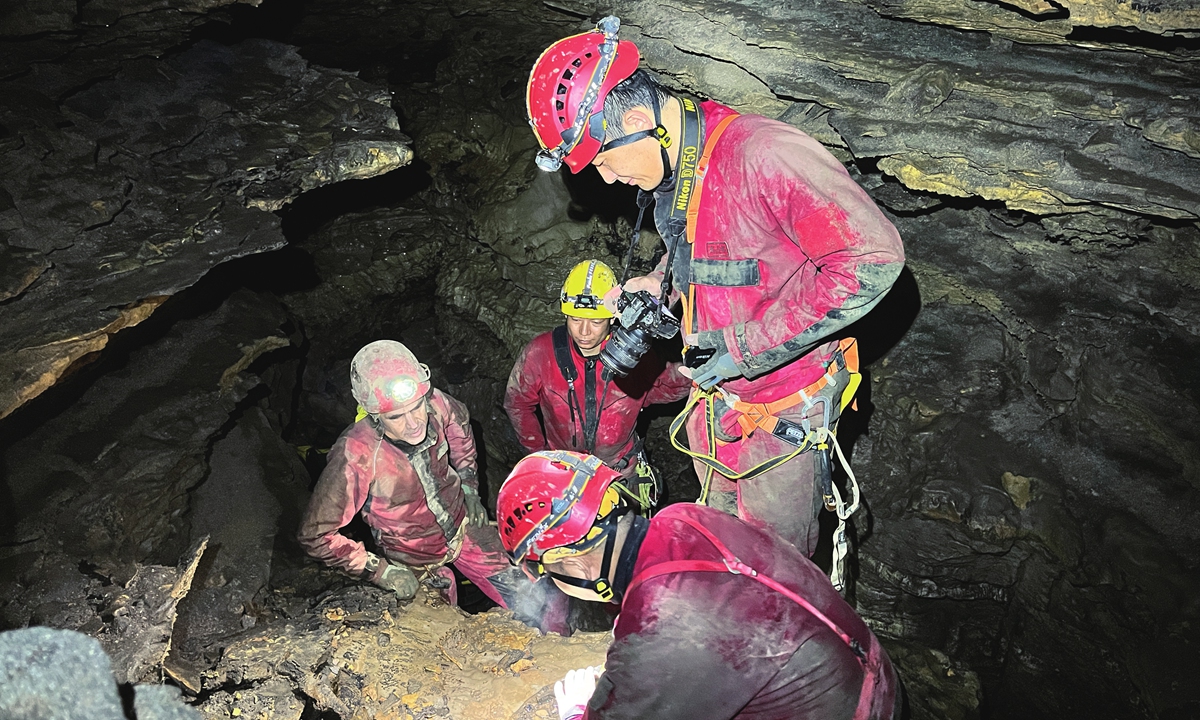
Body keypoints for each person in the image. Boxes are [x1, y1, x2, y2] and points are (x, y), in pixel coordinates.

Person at [525, 17, 905, 568]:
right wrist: (660, 282)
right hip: (717, 403)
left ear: (637, 119)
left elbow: (872, 259)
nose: (606, 179)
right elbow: (710, 248)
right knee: (720, 549)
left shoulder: (762, 154)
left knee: (772, 569)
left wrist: (746, 345)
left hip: (780, 416)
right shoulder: (678, 170)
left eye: (605, 158)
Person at [496, 451, 901, 720]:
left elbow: (667, 640)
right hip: (873, 676)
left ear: (571, 561)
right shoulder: (684, 517)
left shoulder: (661, 619)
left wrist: (577, 710)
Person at [297, 340, 567, 633]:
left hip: (463, 528)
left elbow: (462, 436)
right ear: (373, 414)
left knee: (542, 598)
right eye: (395, 417)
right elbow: (316, 534)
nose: (413, 423)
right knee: (441, 638)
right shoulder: (356, 455)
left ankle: (562, 647)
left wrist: (468, 488)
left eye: (416, 408)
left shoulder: (435, 403)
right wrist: (378, 570)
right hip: (414, 558)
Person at [504, 259, 690, 511]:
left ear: (612, 319)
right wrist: (538, 456)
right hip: (564, 475)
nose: (584, 331)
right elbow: (517, 403)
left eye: (595, 321)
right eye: (575, 319)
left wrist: (680, 375)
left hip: (619, 475)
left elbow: (671, 385)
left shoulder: (634, 355)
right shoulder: (540, 353)